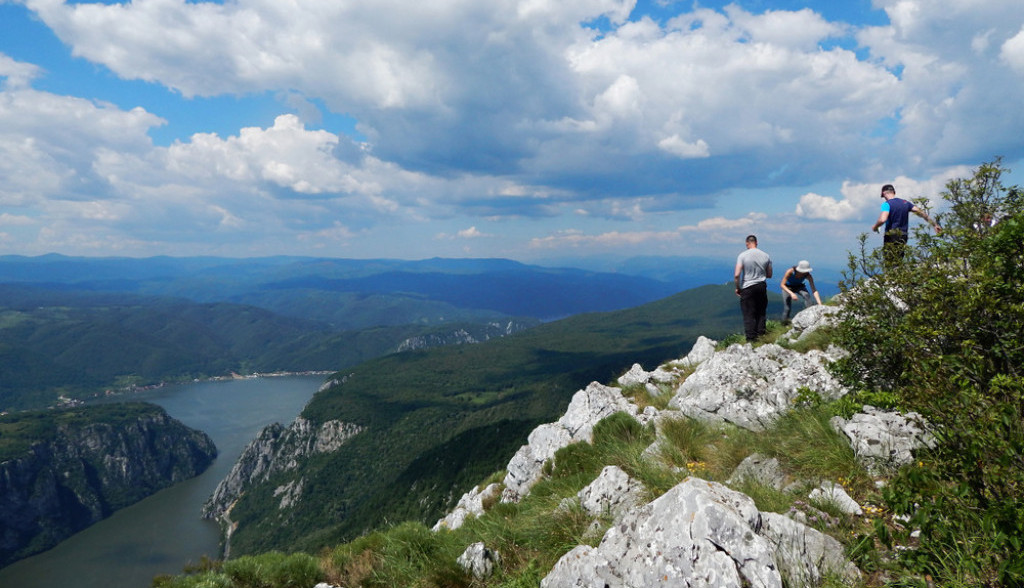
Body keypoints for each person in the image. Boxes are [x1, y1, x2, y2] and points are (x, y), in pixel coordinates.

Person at [871, 184, 941, 266]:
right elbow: (922, 213)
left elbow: (883, 219)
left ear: (883, 193)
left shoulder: (887, 204)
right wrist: (935, 225)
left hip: (891, 235)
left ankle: (891, 277)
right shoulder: (905, 203)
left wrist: (875, 226)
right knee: (899, 259)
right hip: (903, 235)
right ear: (894, 192)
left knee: (889, 261)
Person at [734, 234, 773, 342]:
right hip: (761, 286)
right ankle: (761, 337)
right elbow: (769, 274)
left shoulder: (742, 255)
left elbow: (737, 275)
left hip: (748, 287)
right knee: (761, 312)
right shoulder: (766, 256)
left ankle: (751, 340)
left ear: (747, 243)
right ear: (756, 243)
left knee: (748, 314)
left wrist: (738, 288)